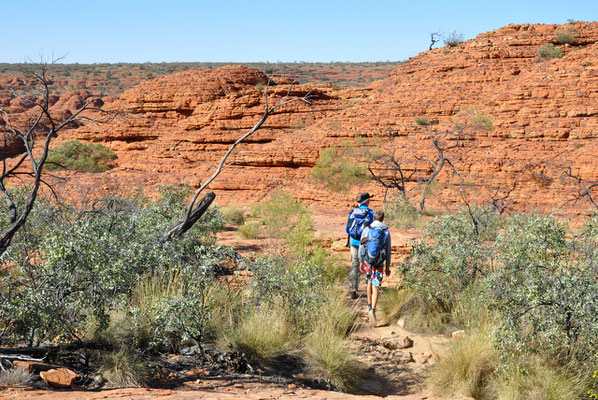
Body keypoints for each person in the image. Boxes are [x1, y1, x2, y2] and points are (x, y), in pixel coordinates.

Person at [359, 210, 391, 327]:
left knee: (369, 281)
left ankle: (368, 304)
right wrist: (387, 266)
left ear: (374, 218)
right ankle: (373, 309)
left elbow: (361, 247)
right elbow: (388, 251)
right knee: (375, 284)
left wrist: (361, 261)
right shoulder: (386, 232)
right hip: (379, 262)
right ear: (382, 219)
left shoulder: (367, 229)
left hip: (368, 261)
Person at [345, 192, 374, 299]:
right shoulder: (370, 213)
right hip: (365, 242)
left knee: (354, 265)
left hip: (353, 242)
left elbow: (348, 229)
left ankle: (352, 290)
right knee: (367, 264)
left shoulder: (352, 212)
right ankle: (369, 289)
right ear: (367, 201)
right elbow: (372, 229)